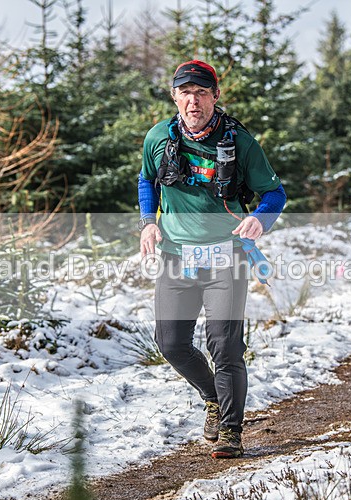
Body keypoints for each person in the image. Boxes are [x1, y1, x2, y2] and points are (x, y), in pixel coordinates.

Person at [137, 59, 286, 458]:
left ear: (215, 96)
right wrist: (148, 222)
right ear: (174, 97)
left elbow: (276, 193)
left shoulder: (240, 142)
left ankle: (232, 432)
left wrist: (260, 218)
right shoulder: (158, 138)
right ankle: (213, 399)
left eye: (202, 93)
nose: (193, 101)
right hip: (176, 257)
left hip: (226, 257)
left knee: (224, 344)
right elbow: (147, 180)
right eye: (185, 93)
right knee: (170, 343)